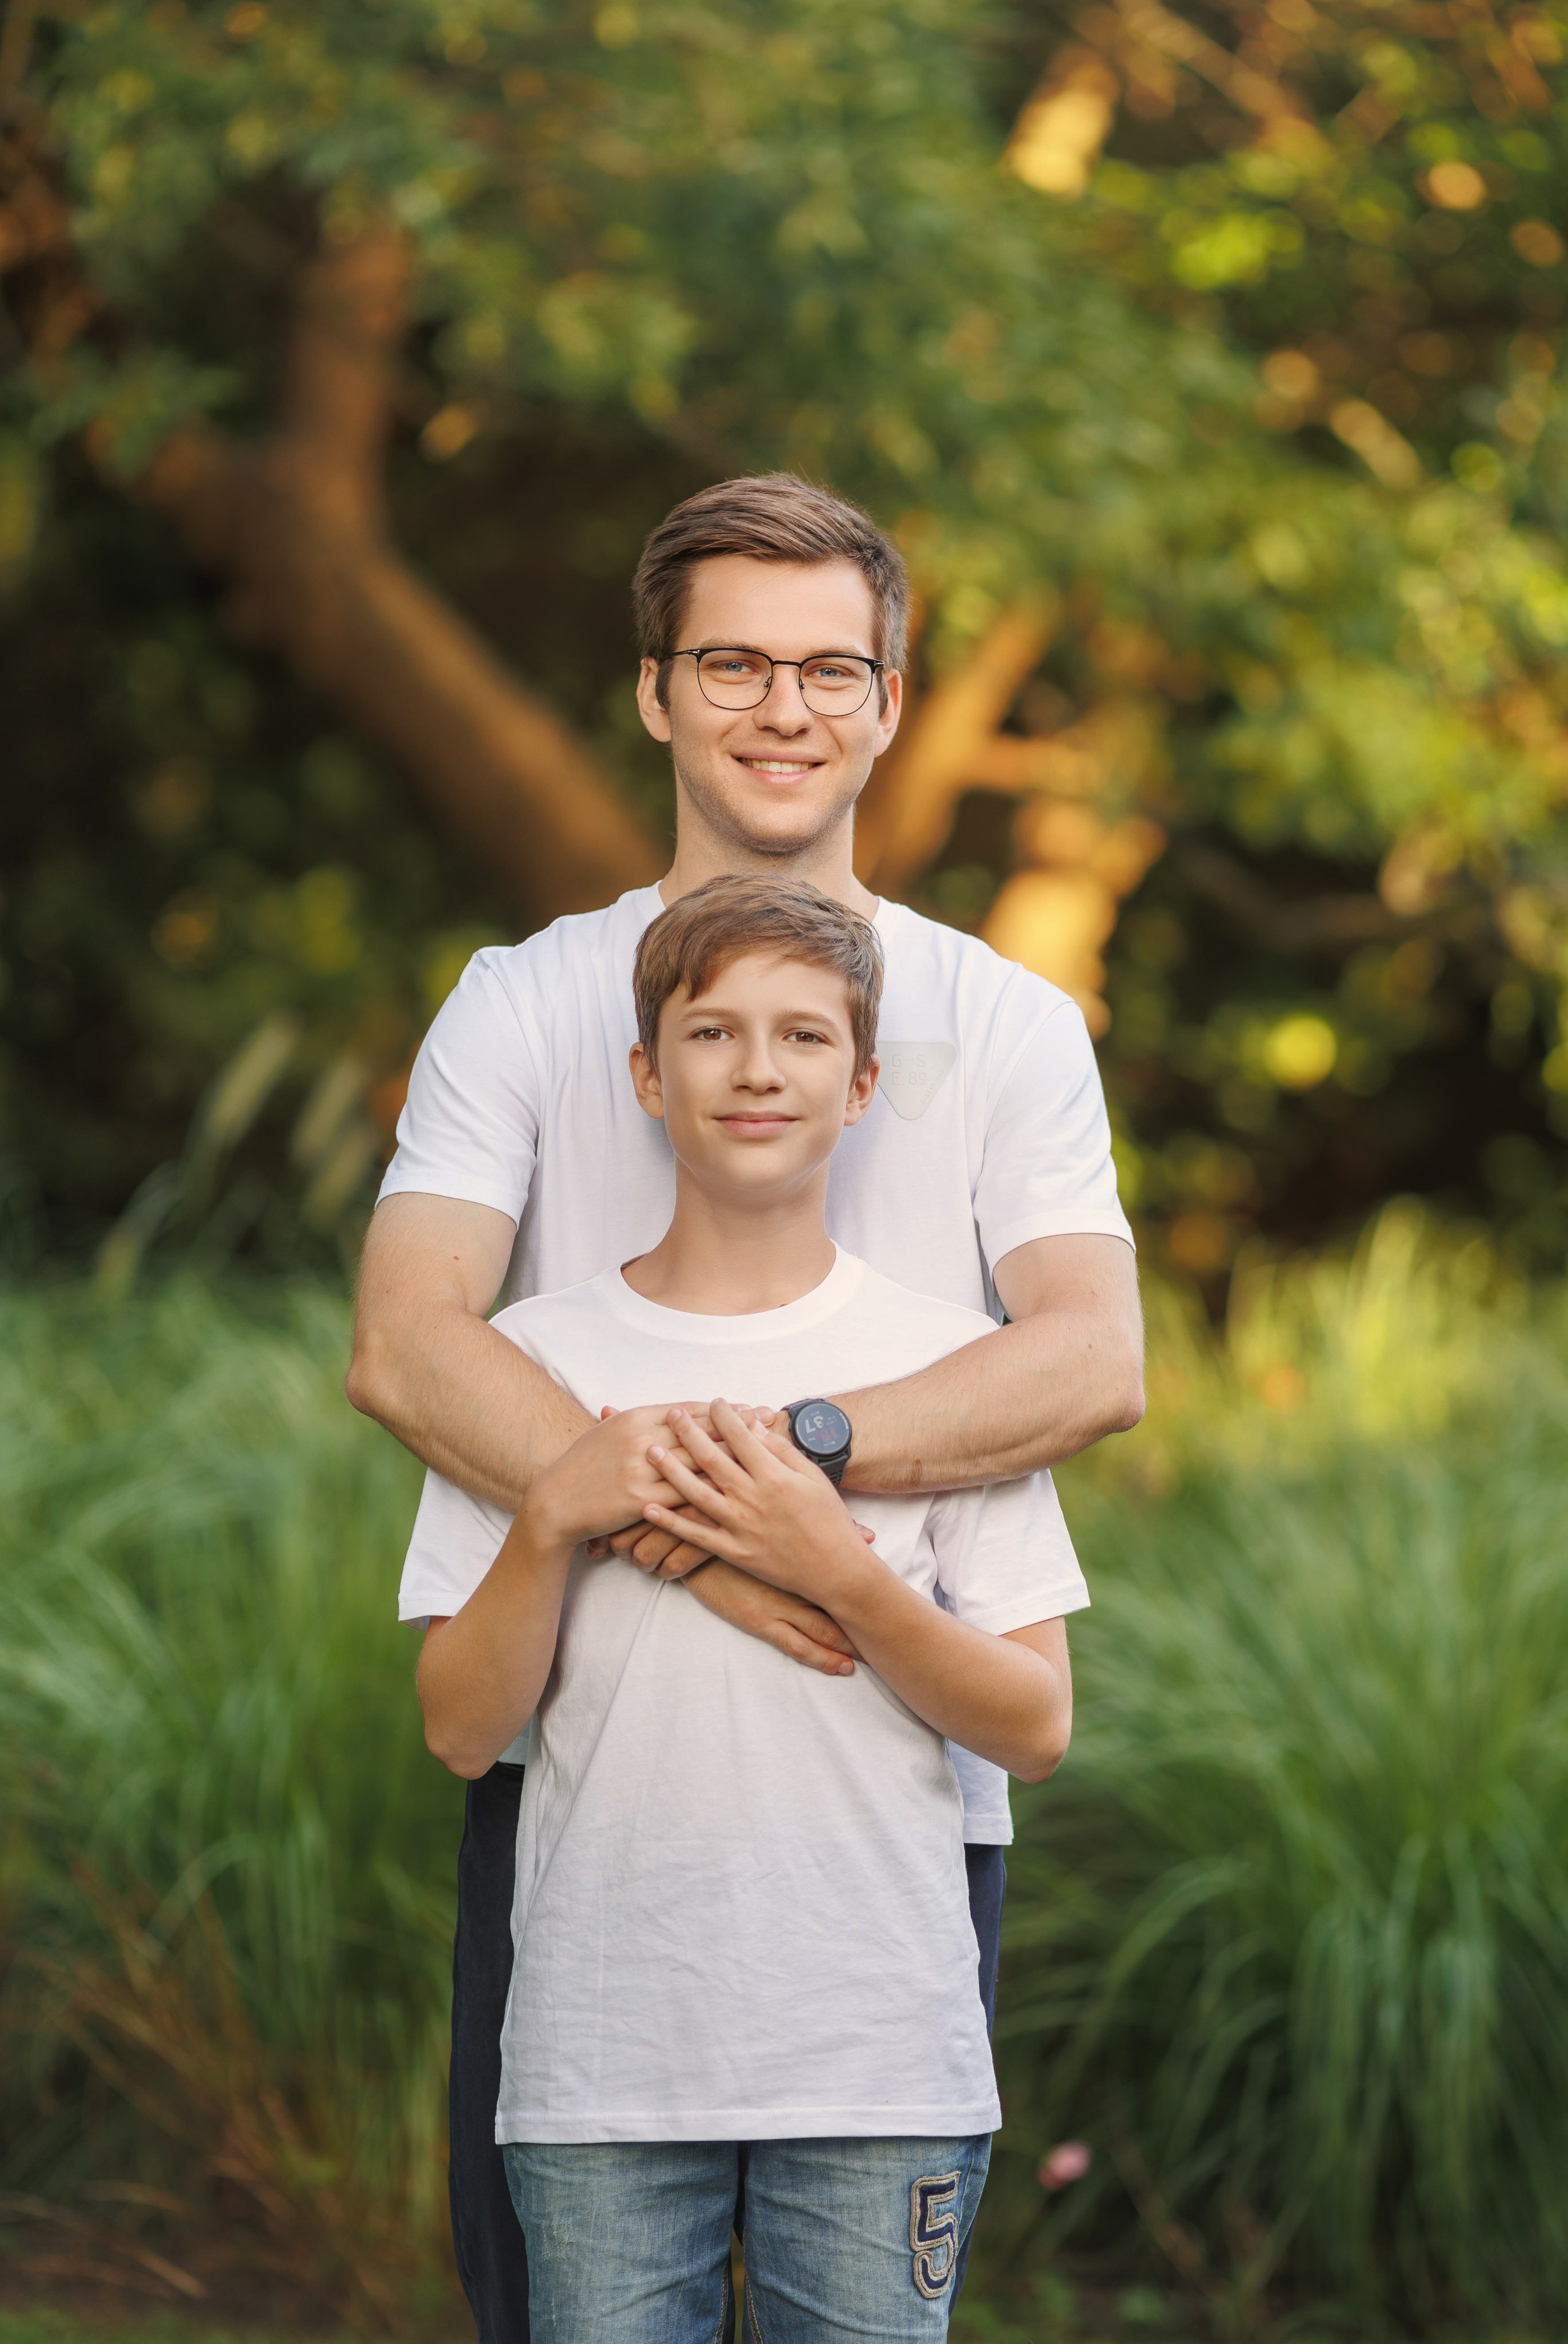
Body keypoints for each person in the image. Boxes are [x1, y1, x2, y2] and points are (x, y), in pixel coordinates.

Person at [347, 472, 1144, 2342]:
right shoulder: (528, 1000)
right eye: (732, 665)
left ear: (887, 698)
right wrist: (687, 1536)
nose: (783, 709)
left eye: (828, 670)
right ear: (653, 692)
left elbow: (1091, 1361)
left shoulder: (1008, 1020)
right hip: (588, 1802)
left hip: (883, 1822)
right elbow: (405, 1339)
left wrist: (796, 1471)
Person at [409, 877, 1091, 2340]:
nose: (758, 1068)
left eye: (801, 1037)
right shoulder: (531, 1362)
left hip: (876, 2067)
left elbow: (1035, 1726)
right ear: (648, 1077)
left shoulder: (951, 1371)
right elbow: (461, 1731)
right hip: (598, 2071)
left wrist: (827, 1558)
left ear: (860, 1089)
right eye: (711, 1031)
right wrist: (557, 1508)